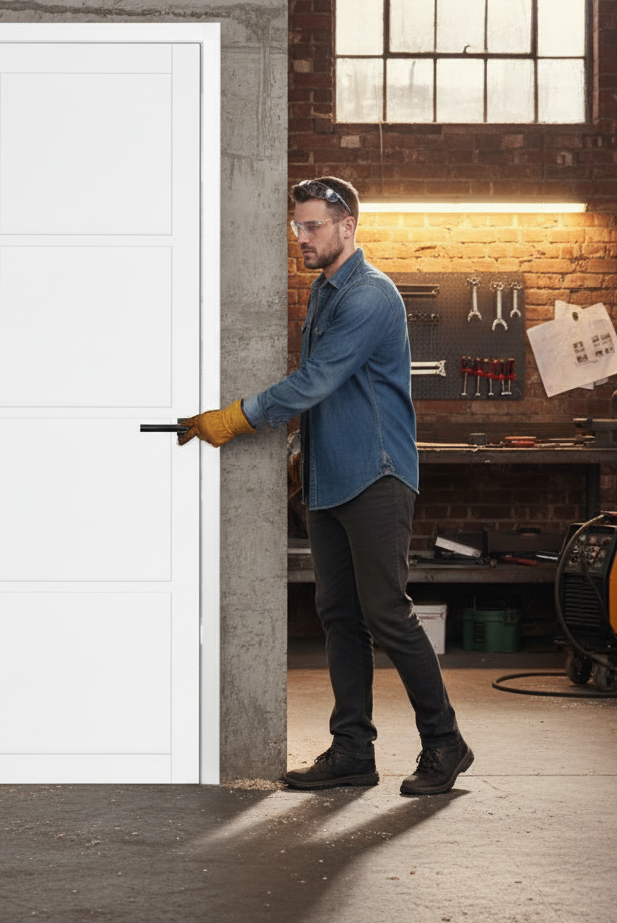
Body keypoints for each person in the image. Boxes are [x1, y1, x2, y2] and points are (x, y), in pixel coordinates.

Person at [178, 177, 473, 796]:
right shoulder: (325, 294)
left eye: (313, 227)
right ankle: (352, 751)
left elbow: (315, 381)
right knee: (339, 615)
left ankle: (445, 743)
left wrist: (235, 417)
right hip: (329, 480)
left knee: (387, 613)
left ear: (348, 227)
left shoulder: (369, 296)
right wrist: (299, 455)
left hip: (377, 475)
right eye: (298, 227)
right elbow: (325, 394)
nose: (302, 238)